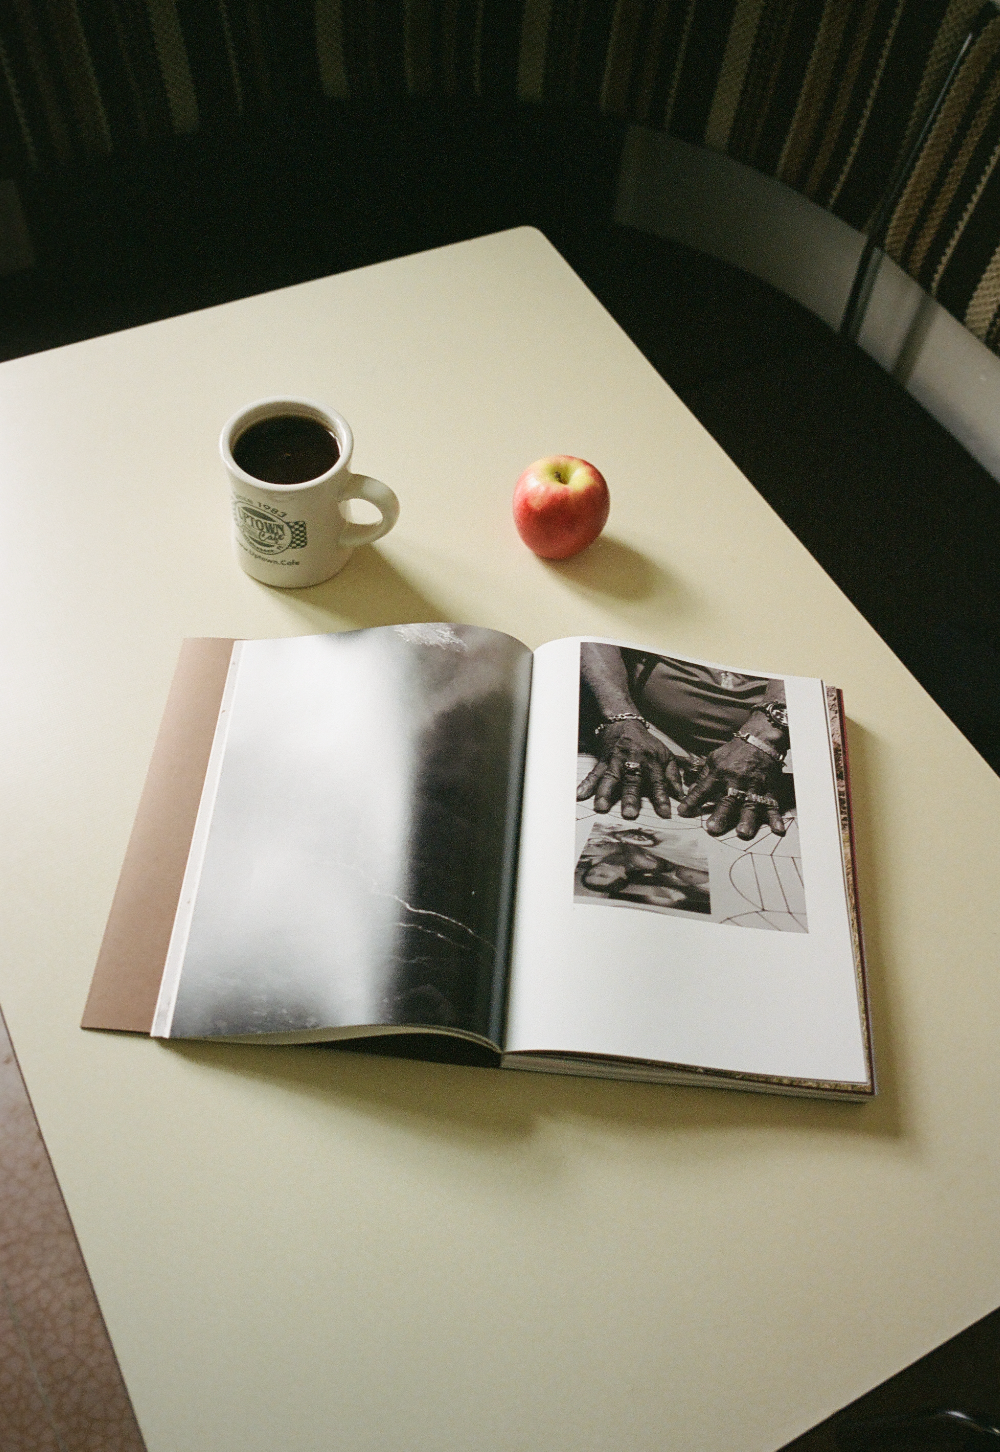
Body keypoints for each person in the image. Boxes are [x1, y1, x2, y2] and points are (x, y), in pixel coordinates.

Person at [576, 643, 790, 840]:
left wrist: (765, 737)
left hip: (780, 756)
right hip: (646, 740)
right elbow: (593, 630)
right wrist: (621, 717)